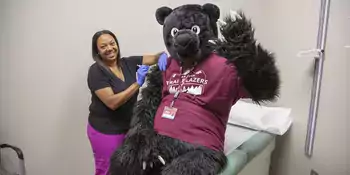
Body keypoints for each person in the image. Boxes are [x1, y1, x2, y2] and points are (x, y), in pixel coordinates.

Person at [86, 29, 167, 175]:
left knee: (127, 169)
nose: (109, 48)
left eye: (112, 43)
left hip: (127, 128)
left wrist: (163, 56)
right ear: (97, 51)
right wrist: (137, 83)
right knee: (108, 170)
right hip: (105, 131)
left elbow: (156, 57)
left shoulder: (129, 63)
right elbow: (112, 102)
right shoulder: (96, 71)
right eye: (103, 46)